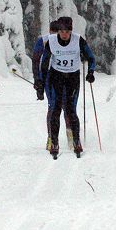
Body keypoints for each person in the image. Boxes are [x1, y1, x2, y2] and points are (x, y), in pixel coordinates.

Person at [41, 16, 96, 159]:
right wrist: (41, 80)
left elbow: (91, 57)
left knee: (71, 110)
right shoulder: (51, 41)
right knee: (56, 109)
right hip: (56, 76)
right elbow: (44, 62)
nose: (64, 34)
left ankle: (76, 142)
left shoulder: (78, 40)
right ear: (58, 31)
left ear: (71, 31)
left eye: (67, 31)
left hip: (72, 77)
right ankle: (54, 142)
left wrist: (90, 72)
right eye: (61, 31)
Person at [32, 20, 73, 151]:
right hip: (49, 77)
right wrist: (38, 80)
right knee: (53, 106)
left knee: (68, 106)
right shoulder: (43, 41)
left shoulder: (67, 40)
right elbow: (35, 61)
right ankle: (51, 137)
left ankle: (71, 137)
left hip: (66, 75)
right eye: (53, 33)